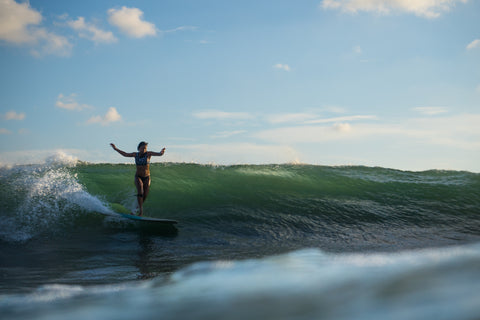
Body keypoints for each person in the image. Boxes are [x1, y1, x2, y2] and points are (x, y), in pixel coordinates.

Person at [110, 141, 165, 216]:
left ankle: (136, 209)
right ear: (139, 148)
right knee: (140, 191)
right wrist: (116, 149)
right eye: (142, 148)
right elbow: (125, 154)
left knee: (145, 195)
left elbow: (159, 154)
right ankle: (141, 212)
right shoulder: (135, 154)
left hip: (147, 177)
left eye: (145, 148)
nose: (144, 150)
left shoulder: (148, 154)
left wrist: (161, 153)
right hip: (138, 176)